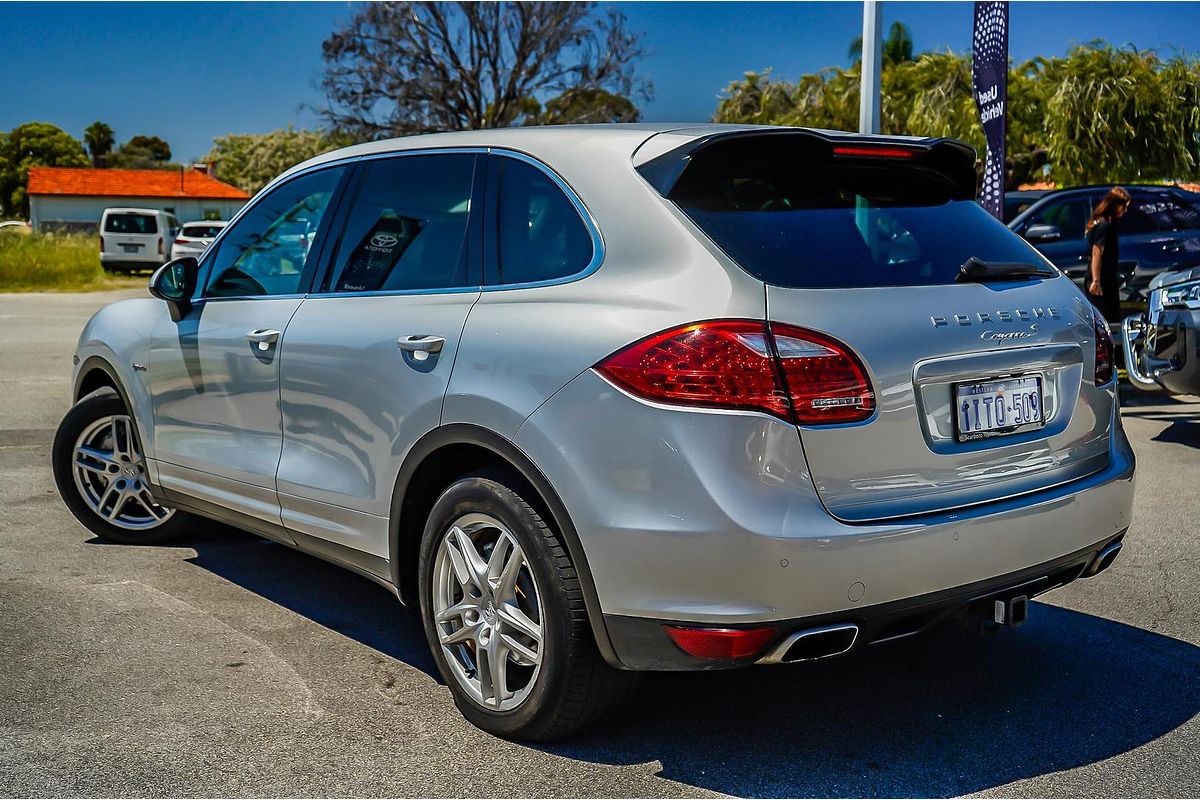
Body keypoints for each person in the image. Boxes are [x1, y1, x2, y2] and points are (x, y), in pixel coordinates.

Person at [1085, 187, 1131, 323]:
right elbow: (1096, 252)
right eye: (1123, 207)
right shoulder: (1103, 226)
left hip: (1107, 277)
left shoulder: (1107, 223)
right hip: (1101, 280)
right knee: (1105, 317)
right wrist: (1096, 281)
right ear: (1114, 205)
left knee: (1111, 316)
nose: (1125, 210)